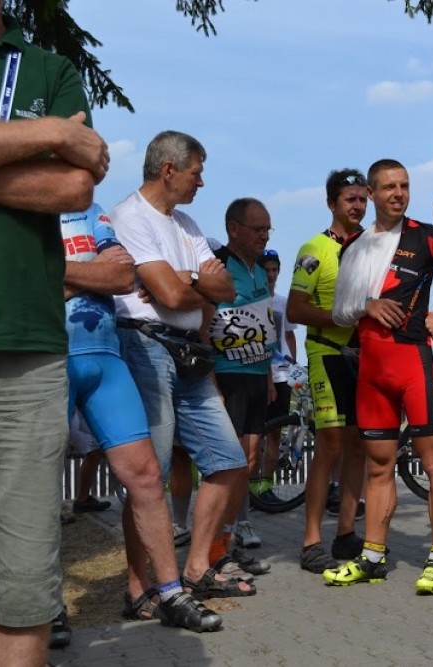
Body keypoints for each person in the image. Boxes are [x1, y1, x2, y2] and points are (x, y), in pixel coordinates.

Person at [0, 2, 110, 663]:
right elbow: (56, 165)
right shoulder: (51, 104)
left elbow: (75, 186)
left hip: (27, 345)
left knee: (23, 588)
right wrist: (45, 132)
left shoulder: (51, 68)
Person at [323, 159, 433, 594]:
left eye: (404, 186)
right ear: (372, 193)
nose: (398, 193)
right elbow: (341, 311)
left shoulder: (427, 236)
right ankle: (372, 557)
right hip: (371, 370)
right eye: (388, 187)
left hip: (414, 364)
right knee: (379, 466)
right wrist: (368, 305)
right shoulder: (355, 245)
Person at [61, 202, 222, 637]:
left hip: (106, 357)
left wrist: (62, 275)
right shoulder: (25, 206)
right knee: (38, 483)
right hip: (51, 356)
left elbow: (121, 277)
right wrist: (91, 272)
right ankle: (46, 602)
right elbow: (21, 284)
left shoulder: (91, 210)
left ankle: (169, 592)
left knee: (148, 476)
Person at [112, 130, 256, 601]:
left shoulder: (187, 223)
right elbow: (172, 297)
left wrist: (182, 277)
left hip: (189, 352)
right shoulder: (129, 216)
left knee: (228, 461)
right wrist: (194, 283)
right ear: (169, 169)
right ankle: (139, 587)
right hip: (145, 346)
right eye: (197, 172)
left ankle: (196, 568)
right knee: (148, 476)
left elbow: (226, 289)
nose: (202, 182)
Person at [287, 168, 370, 573]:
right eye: (350, 199)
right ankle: (310, 541)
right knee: (331, 445)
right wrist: (340, 317)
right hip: (327, 353)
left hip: (365, 356)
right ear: (331, 204)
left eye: (362, 199)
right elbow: (294, 309)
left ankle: (346, 533)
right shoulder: (314, 248)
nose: (358, 206)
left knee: (358, 445)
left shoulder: (373, 245)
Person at [208, 198, 278, 552]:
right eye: (258, 229)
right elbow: (202, 324)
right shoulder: (217, 264)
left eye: (268, 229)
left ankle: (233, 529)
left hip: (256, 374)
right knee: (230, 462)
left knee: (249, 460)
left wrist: (267, 377)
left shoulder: (260, 270)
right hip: (228, 373)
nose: (264, 236)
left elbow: (264, 324)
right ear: (234, 229)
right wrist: (211, 381)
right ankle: (218, 538)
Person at [256, 249, 299, 504]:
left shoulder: (284, 302)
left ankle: (265, 486)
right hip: (261, 374)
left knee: (275, 433)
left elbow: (290, 336)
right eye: (266, 270)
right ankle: (251, 487)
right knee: (255, 435)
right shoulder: (255, 301)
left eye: (274, 270)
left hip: (282, 375)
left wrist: (294, 368)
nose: (271, 275)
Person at [67, 411, 112, 514]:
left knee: (94, 454)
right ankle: (82, 500)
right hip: (75, 416)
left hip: (75, 416)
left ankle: (83, 499)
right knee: (94, 454)